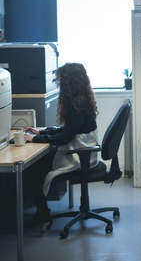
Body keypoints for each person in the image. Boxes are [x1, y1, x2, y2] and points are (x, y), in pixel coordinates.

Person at [24, 63, 99, 231]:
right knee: (36, 168)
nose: (57, 83)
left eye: (60, 80)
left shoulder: (75, 105)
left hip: (77, 156)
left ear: (68, 82)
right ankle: (41, 213)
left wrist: (35, 139)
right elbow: (69, 130)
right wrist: (42, 132)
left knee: (32, 173)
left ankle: (43, 216)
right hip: (81, 152)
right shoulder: (82, 99)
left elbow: (65, 137)